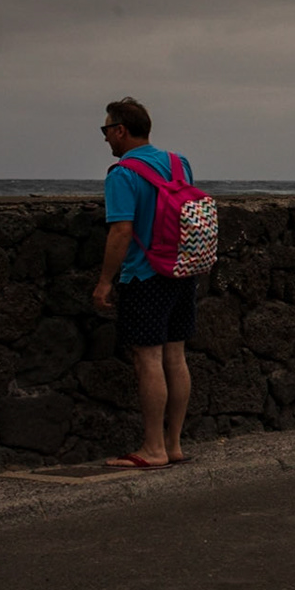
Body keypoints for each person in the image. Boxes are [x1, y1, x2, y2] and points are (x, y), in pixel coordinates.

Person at [92, 97, 197, 469]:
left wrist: (105, 282)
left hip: (145, 273)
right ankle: (173, 444)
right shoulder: (177, 162)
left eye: (106, 130)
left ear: (120, 129)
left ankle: (152, 449)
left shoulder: (122, 174)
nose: (105, 139)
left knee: (148, 358)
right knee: (175, 355)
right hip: (182, 269)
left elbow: (121, 231)